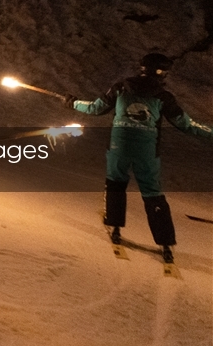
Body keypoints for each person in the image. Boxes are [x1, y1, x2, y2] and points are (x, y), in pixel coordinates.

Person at [64, 53, 212, 263]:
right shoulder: (163, 97)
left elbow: (95, 108)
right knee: (152, 193)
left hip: (119, 146)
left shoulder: (121, 87)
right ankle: (165, 243)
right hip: (146, 151)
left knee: (115, 184)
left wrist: (74, 102)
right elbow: (186, 125)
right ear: (161, 73)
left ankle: (115, 227)